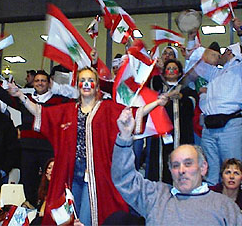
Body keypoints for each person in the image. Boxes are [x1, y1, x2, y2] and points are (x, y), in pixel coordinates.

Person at [9, 66, 166, 225]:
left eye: (90, 80)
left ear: (97, 86)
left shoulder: (107, 109)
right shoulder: (68, 110)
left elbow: (135, 113)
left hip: (95, 176)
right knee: (68, 217)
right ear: (77, 86)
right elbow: (40, 112)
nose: (86, 84)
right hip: (69, 175)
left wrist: (157, 103)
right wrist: (21, 96)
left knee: (86, 217)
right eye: (82, 80)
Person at [112, 108, 242, 225]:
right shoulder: (156, 196)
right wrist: (124, 137)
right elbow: (124, 179)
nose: (181, 171)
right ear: (170, 170)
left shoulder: (224, 206)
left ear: (203, 168)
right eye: (176, 165)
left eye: (188, 164)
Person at [194, 17, 242, 185]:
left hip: (231, 126)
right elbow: (197, 66)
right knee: (211, 174)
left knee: (232, 172)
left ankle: (233, 209)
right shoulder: (216, 73)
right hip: (210, 127)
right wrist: (192, 37)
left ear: (230, 53)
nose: (221, 54)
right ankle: (214, 209)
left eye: (224, 51)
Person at [0, 70, 67, 205]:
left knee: (49, 180)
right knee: (28, 179)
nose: (40, 83)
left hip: (48, 148)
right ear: (33, 83)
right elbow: (6, 97)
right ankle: (31, 206)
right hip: (27, 148)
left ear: (49, 83)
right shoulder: (25, 98)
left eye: (43, 80)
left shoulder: (58, 100)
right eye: (37, 80)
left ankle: (47, 206)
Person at [147, 59, 197, 183]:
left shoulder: (187, 91)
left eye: (174, 69)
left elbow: (192, 107)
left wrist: (180, 97)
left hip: (182, 136)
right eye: (168, 68)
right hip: (160, 137)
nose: (171, 71)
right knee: (160, 163)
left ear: (180, 73)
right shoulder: (157, 87)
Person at [30, 158, 54, 225]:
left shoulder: (63, 191)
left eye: (54, 168)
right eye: (49, 168)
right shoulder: (42, 189)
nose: (51, 171)